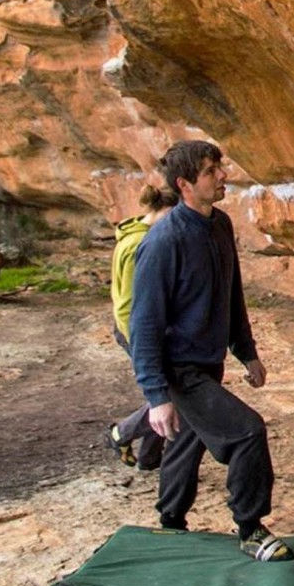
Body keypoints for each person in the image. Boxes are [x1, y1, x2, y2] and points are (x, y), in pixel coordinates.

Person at [129, 140, 292, 561]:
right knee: (246, 431)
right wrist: (156, 397)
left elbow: (231, 293)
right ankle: (250, 527)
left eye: (219, 166)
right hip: (179, 370)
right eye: (209, 170)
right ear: (184, 184)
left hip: (209, 361)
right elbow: (143, 325)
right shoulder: (162, 242)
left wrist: (246, 351)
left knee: (186, 444)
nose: (223, 175)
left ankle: (170, 524)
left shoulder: (219, 225)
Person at [104, 184, 179, 470]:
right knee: (168, 394)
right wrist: (139, 340)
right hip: (137, 331)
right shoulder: (141, 243)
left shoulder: (141, 235)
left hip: (144, 329)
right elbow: (127, 304)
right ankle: (120, 433)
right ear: (166, 211)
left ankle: (149, 458)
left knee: (168, 391)